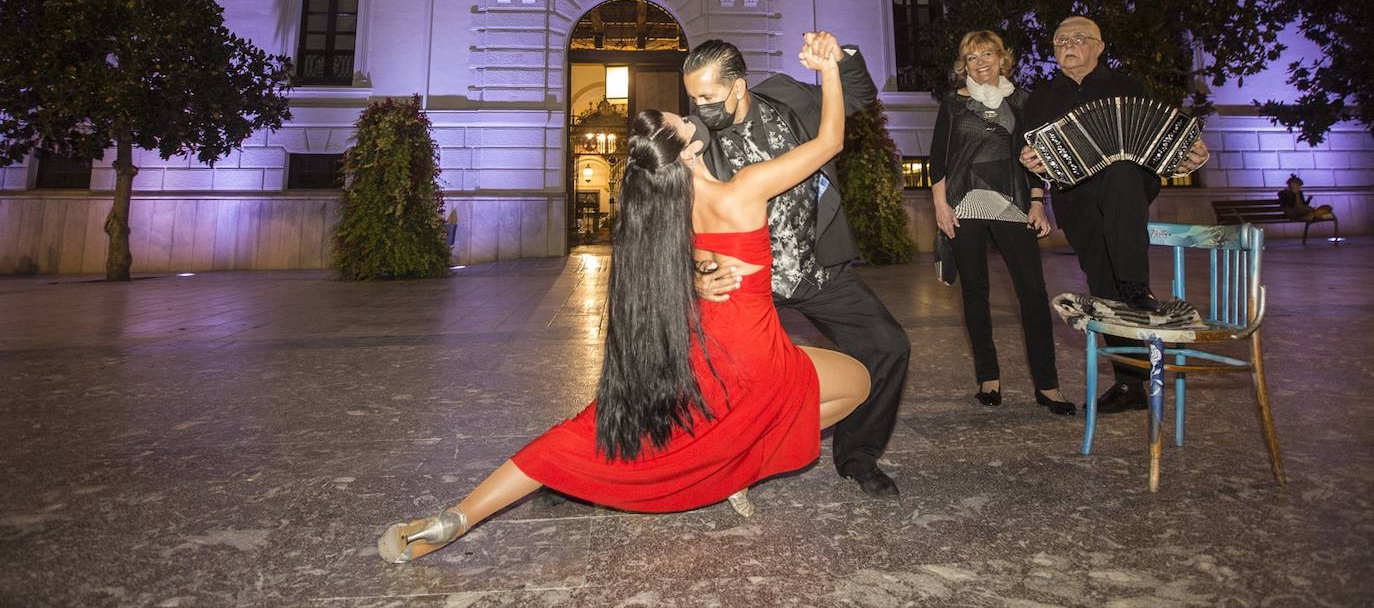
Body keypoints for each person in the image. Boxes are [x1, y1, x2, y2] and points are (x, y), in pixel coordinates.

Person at [377, 35, 872, 563]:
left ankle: (455, 518)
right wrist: (830, 71)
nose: (691, 117)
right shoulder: (742, 189)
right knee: (859, 382)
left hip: (697, 355)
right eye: (683, 120)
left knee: (581, 433)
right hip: (754, 356)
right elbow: (832, 140)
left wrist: (699, 274)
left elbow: (674, 265)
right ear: (685, 146)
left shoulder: (665, 208)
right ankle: (737, 466)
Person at [683, 33, 910, 499]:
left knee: (888, 345)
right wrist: (695, 275)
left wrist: (837, 58)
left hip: (816, 267)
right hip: (748, 280)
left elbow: (857, 98)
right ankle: (684, 459)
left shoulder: (786, 95)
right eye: (693, 97)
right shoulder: (695, 138)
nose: (699, 107)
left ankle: (858, 457)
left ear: (739, 86)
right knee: (701, 373)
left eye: (707, 96)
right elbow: (675, 215)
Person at [1019, 16, 1209, 414]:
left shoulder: (1128, 87)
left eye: (1078, 38)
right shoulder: (1040, 98)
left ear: (1099, 46)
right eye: (1060, 40)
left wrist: (1192, 155)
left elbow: (1162, 140)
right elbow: (1032, 158)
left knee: (1121, 171)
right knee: (1105, 290)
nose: (1068, 45)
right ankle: (1130, 384)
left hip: (1126, 194)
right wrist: (1031, 165)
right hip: (1077, 201)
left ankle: (1138, 288)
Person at [931, 30, 1074, 416]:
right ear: (964, 64)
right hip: (965, 205)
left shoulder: (1023, 101)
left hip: (1013, 205)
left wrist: (1039, 202)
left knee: (1032, 293)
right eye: (973, 56)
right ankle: (988, 378)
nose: (981, 62)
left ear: (1002, 59)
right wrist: (941, 207)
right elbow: (938, 161)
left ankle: (1048, 386)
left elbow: (1035, 157)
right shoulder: (952, 103)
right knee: (975, 293)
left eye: (988, 54)